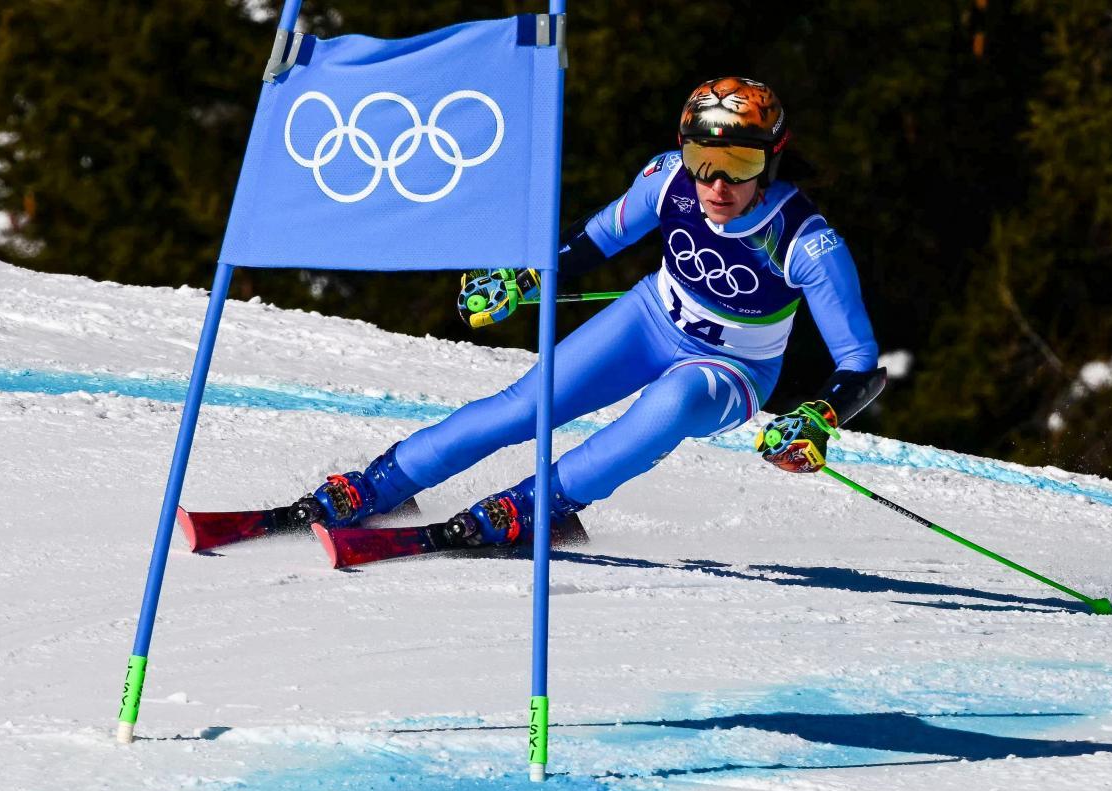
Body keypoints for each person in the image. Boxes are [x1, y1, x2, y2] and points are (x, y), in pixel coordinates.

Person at [289, 76, 886, 545]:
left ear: (771, 161)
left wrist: (820, 417)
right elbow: (599, 237)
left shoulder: (805, 241)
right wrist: (524, 276)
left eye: (740, 165)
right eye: (702, 159)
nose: (716, 185)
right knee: (526, 405)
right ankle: (381, 485)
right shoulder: (668, 180)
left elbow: (858, 360)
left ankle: (537, 507)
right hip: (650, 318)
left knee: (672, 402)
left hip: (733, 370)